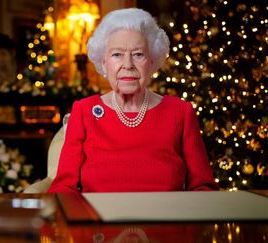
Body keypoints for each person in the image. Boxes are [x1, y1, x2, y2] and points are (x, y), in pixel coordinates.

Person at [48, 8, 219, 193]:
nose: (128, 65)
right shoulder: (84, 111)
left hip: (165, 220)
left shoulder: (180, 112)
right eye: (117, 55)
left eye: (138, 54)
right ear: (104, 62)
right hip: (99, 220)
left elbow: (203, 188)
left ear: (152, 61)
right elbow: (64, 188)